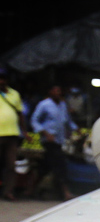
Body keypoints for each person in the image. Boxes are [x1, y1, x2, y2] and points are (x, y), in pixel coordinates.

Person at [31, 86, 76, 201]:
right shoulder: (44, 105)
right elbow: (34, 120)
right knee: (60, 164)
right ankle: (65, 192)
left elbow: (67, 121)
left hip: (60, 140)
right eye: (55, 91)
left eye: (59, 91)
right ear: (50, 92)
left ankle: (30, 189)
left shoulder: (62, 105)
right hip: (49, 140)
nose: (58, 93)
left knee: (46, 166)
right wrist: (45, 133)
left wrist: (75, 129)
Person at [0, 68, 25, 202]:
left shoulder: (14, 94)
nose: (1, 81)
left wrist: (24, 131)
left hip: (12, 134)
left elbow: (20, 113)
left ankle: (8, 192)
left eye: (3, 78)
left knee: (11, 165)